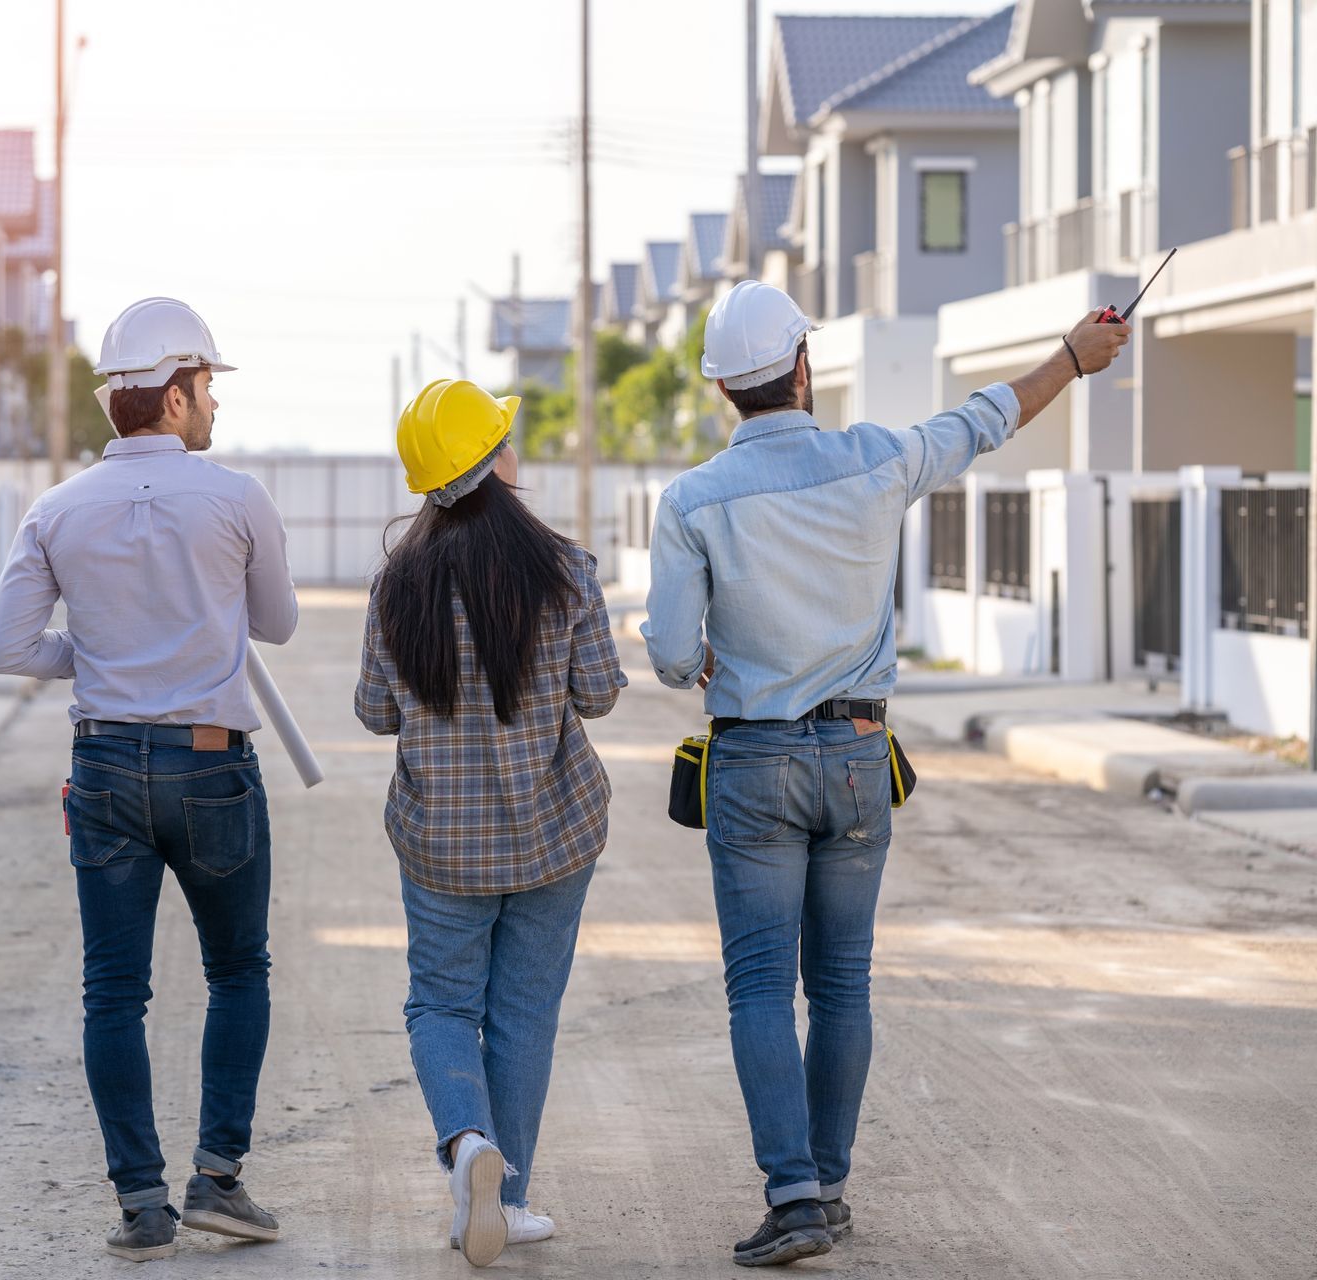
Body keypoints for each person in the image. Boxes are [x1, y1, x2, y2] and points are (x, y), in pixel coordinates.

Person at [642, 281, 1132, 1267]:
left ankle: (792, 1196)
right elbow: (985, 418)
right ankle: (826, 1180)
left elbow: (666, 652)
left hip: (753, 760)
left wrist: (692, 646)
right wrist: (1075, 357)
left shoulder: (692, 500)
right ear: (803, 368)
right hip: (863, 757)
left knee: (758, 986)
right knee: (844, 983)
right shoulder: (877, 460)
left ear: (724, 391)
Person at [0, 297, 299, 1264]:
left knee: (113, 993)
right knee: (237, 970)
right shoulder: (237, 498)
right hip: (211, 765)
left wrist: (94, 653)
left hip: (107, 765)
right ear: (171, 392)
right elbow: (276, 625)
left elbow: (7, 649)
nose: (214, 407)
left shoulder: (57, 510)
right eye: (206, 387)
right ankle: (218, 1178)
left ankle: (143, 1208)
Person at [354, 379, 627, 1268]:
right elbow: (597, 695)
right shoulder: (566, 571)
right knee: (523, 1016)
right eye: (507, 438)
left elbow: (375, 714)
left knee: (440, 1002)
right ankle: (503, 1202)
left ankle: (468, 1144)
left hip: (441, 844)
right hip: (554, 835)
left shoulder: (398, 587)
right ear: (494, 463)